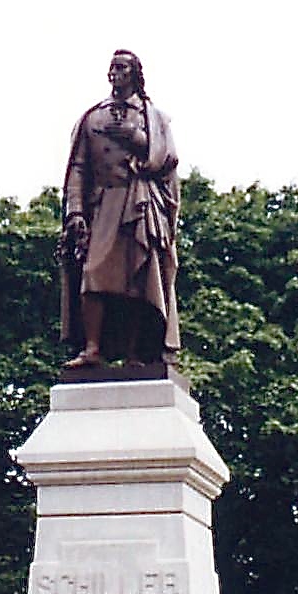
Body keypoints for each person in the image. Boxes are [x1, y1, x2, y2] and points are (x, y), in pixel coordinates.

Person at [60, 49, 180, 368]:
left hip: (139, 200)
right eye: (112, 67)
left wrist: (135, 138)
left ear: (135, 74)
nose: (116, 72)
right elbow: (79, 168)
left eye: (123, 67)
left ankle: (135, 352)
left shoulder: (151, 117)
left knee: (137, 278)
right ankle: (92, 348)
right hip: (103, 204)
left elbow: (167, 158)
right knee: (93, 274)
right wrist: (75, 211)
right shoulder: (93, 117)